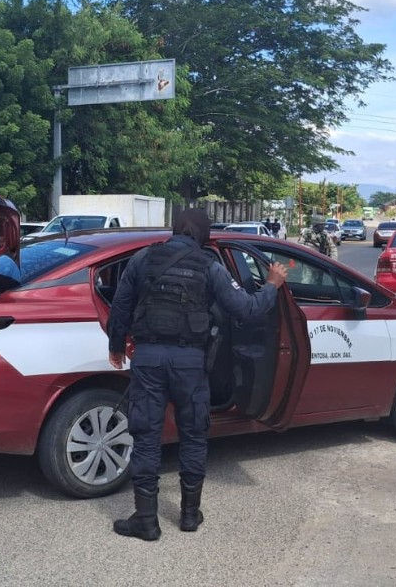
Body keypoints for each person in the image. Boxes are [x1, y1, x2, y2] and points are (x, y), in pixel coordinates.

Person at [106, 208, 288, 541]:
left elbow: (120, 304)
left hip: (148, 359)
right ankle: (190, 515)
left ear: (174, 229)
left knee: (146, 439)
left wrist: (116, 345)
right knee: (193, 436)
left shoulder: (142, 259)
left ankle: (146, 520)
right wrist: (272, 286)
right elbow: (246, 310)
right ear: (204, 235)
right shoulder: (210, 266)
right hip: (190, 363)